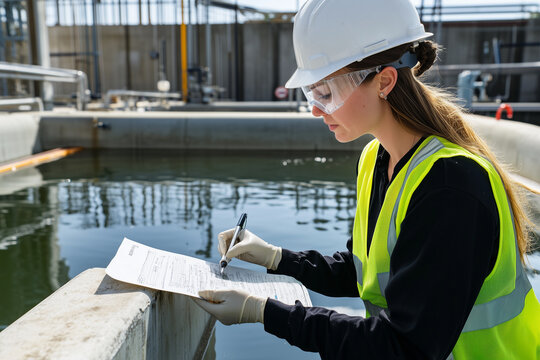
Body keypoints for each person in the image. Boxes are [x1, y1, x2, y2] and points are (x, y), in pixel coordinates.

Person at [194, 0, 540, 358]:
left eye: (326, 93)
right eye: (312, 93)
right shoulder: (376, 158)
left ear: (384, 81)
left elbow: (404, 345)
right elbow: (369, 272)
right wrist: (278, 258)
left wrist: (266, 313)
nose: (315, 109)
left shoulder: (451, 188)